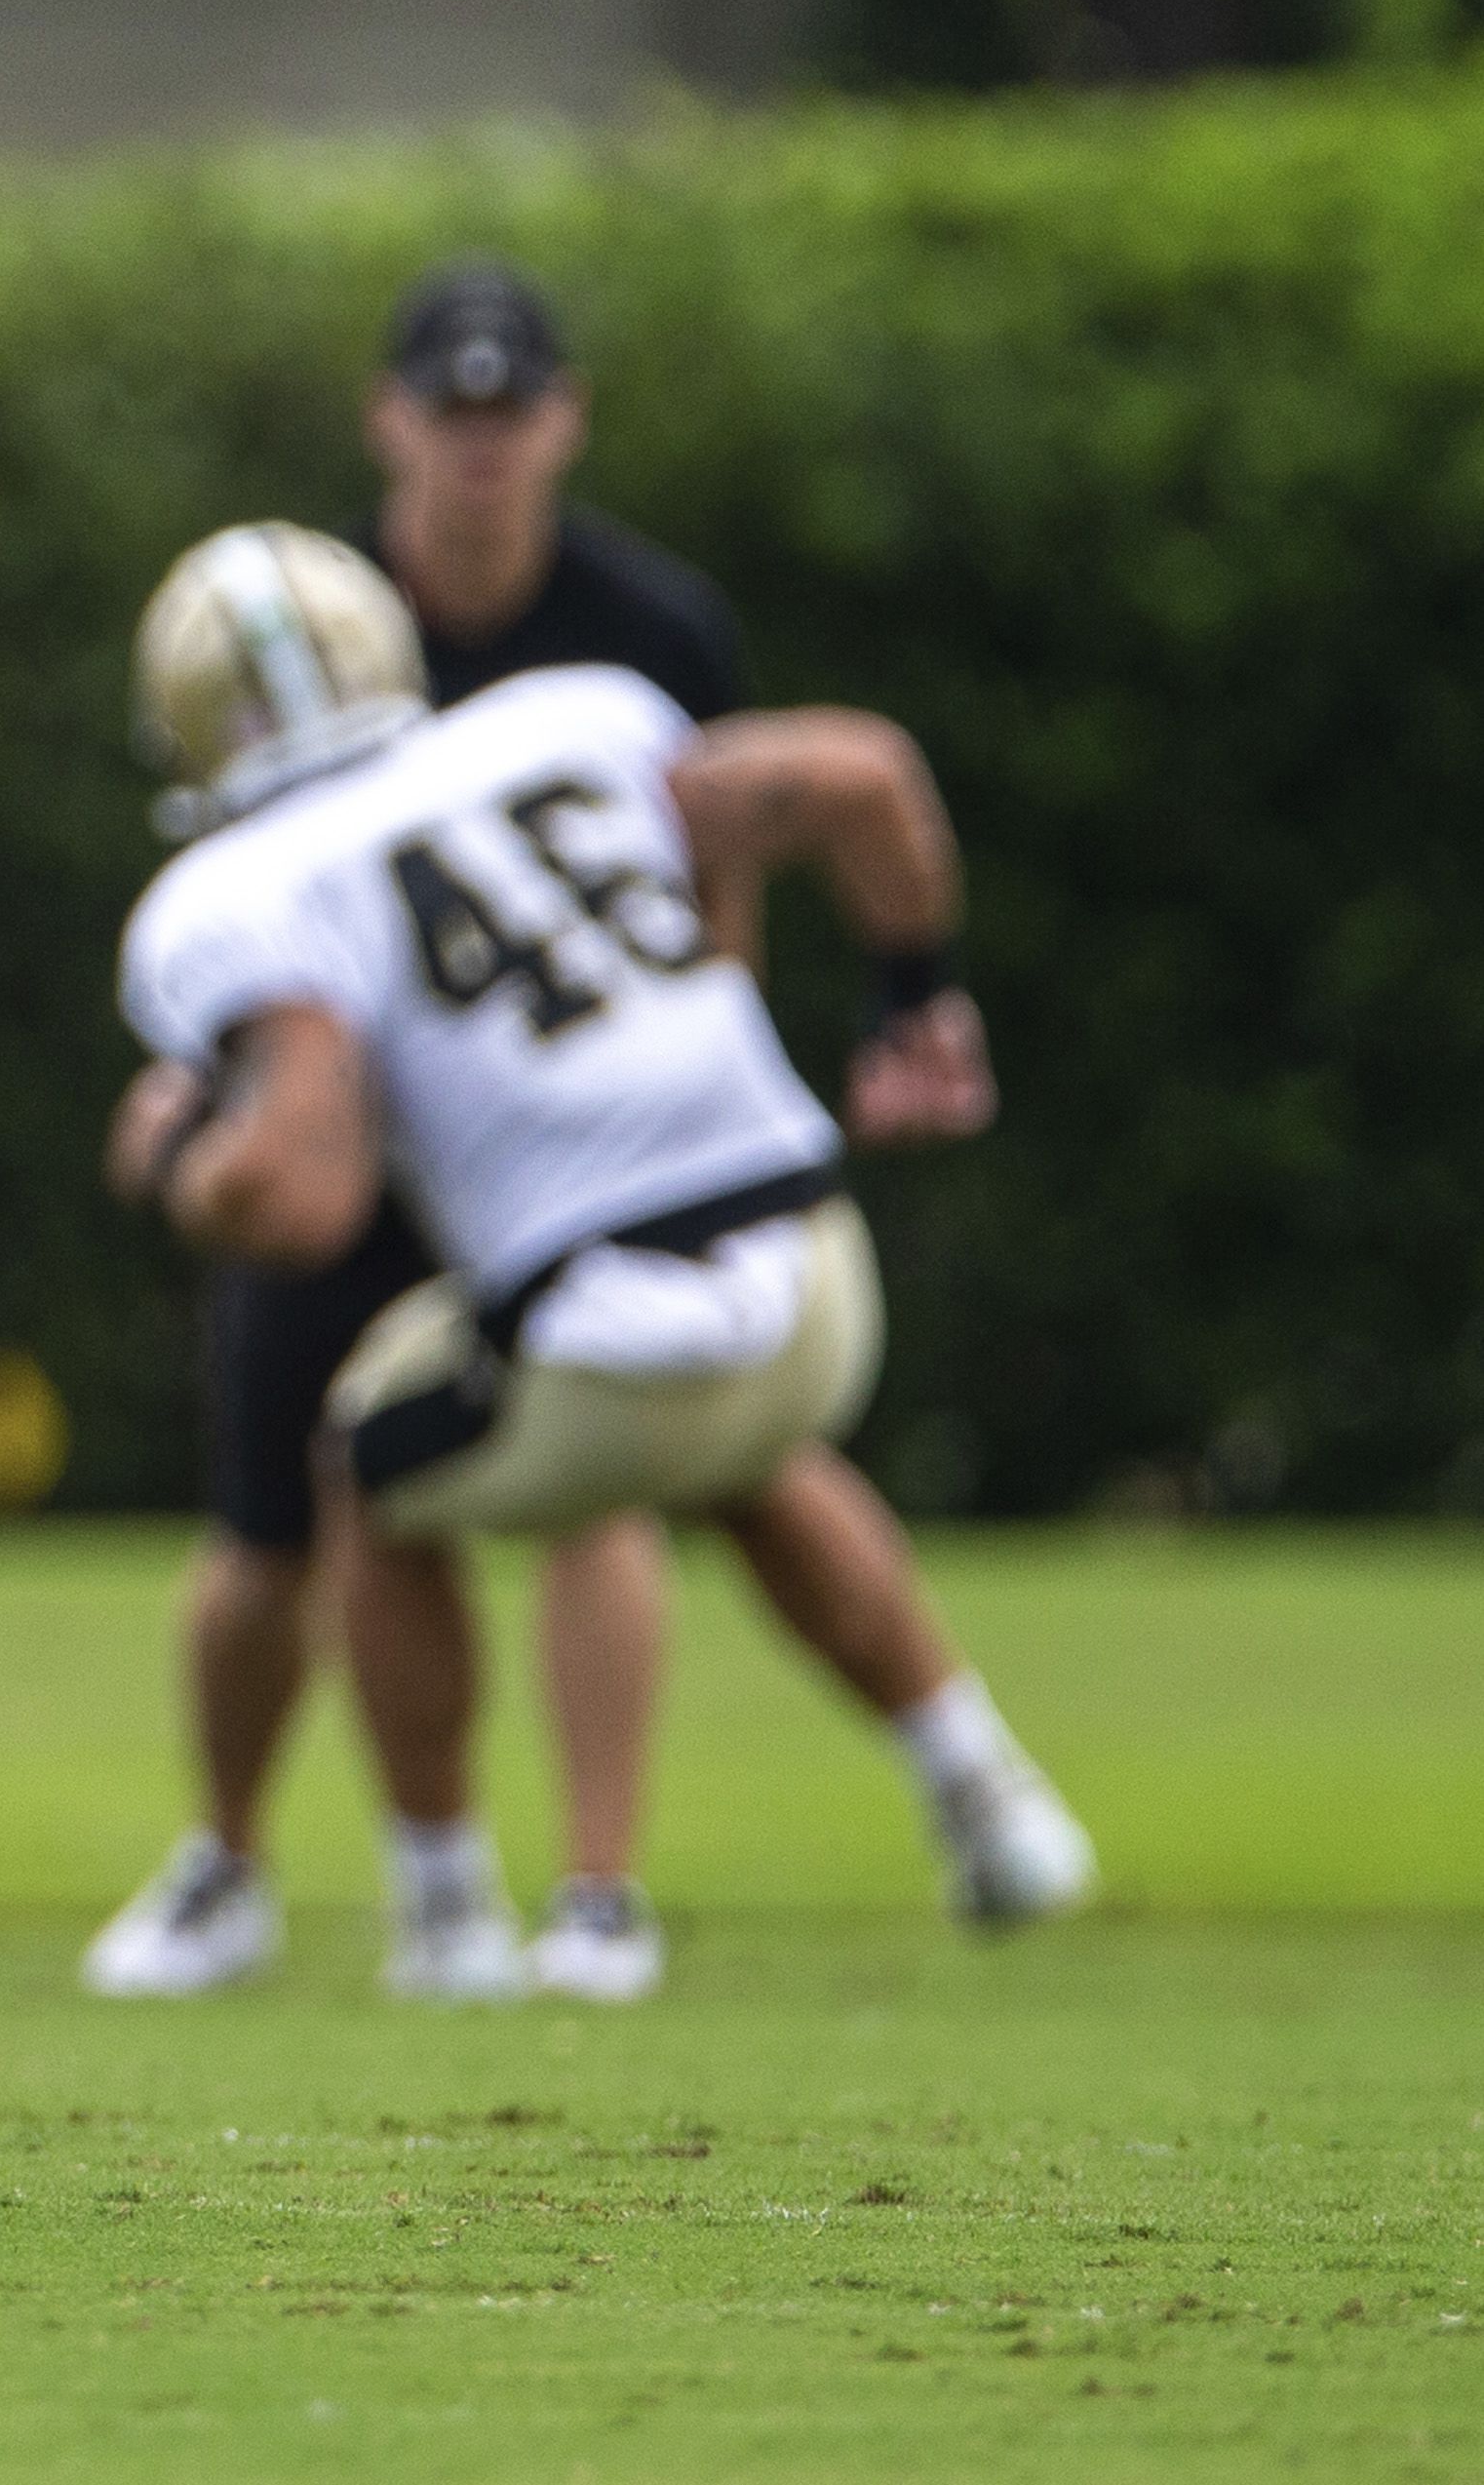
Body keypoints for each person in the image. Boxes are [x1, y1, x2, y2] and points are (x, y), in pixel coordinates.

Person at [105, 525, 1094, 1998]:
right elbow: (864, 774)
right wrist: (913, 1003)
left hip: (605, 1319)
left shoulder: (236, 890)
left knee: (362, 1468)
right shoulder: (582, 714)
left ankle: (447, 1916)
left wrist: (177, 1154)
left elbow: (299, 1194)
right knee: (745, 1459)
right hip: (817, 1269)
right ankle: (986, 1796)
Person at [85, 260, 753, 2001]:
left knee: (571, 1491)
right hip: (355, 1131)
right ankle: (237, 1857)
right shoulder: (325, 639)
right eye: (447, 414)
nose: (479, 450)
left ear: (562, 415)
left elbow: (715, 856)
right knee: (268, 1523)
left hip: (541, 1144)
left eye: (506, 409)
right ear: (393, 423)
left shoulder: (635, 643)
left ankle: (572, 1894)